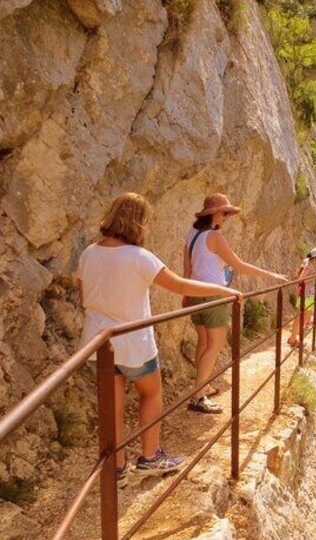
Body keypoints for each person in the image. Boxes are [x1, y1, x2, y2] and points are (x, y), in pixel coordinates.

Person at [76, 193, 240, 488]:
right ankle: (150, 457)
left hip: (100, 342)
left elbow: (81, 291)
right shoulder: (139, 257)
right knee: (150, 393)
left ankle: (118, 467)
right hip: (135, 341)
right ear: (139, 223)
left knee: (112, 405)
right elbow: (179, 284)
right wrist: (223, 290)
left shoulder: (89, 253)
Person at [183, 194, 288, 414]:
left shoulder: (192, 234)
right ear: (214, 214)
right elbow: (237, 264)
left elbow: (187, 269)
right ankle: (199, 396)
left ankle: (203, 386)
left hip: (195, 293)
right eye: (224, 213)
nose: (227, 217)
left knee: (203, 342)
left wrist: (186, 295)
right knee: (215, 344)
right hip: (214, 295)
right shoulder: (214, 236)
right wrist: (270, 274)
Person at [287, 247, 316, 348]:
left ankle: (293, 338)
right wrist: (315, 276)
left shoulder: (315, 266)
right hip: (305, 293)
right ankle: (293, 339)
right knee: (301, 317)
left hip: (309, 293)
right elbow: (301, 280)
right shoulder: (310, 266)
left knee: (305, 318)